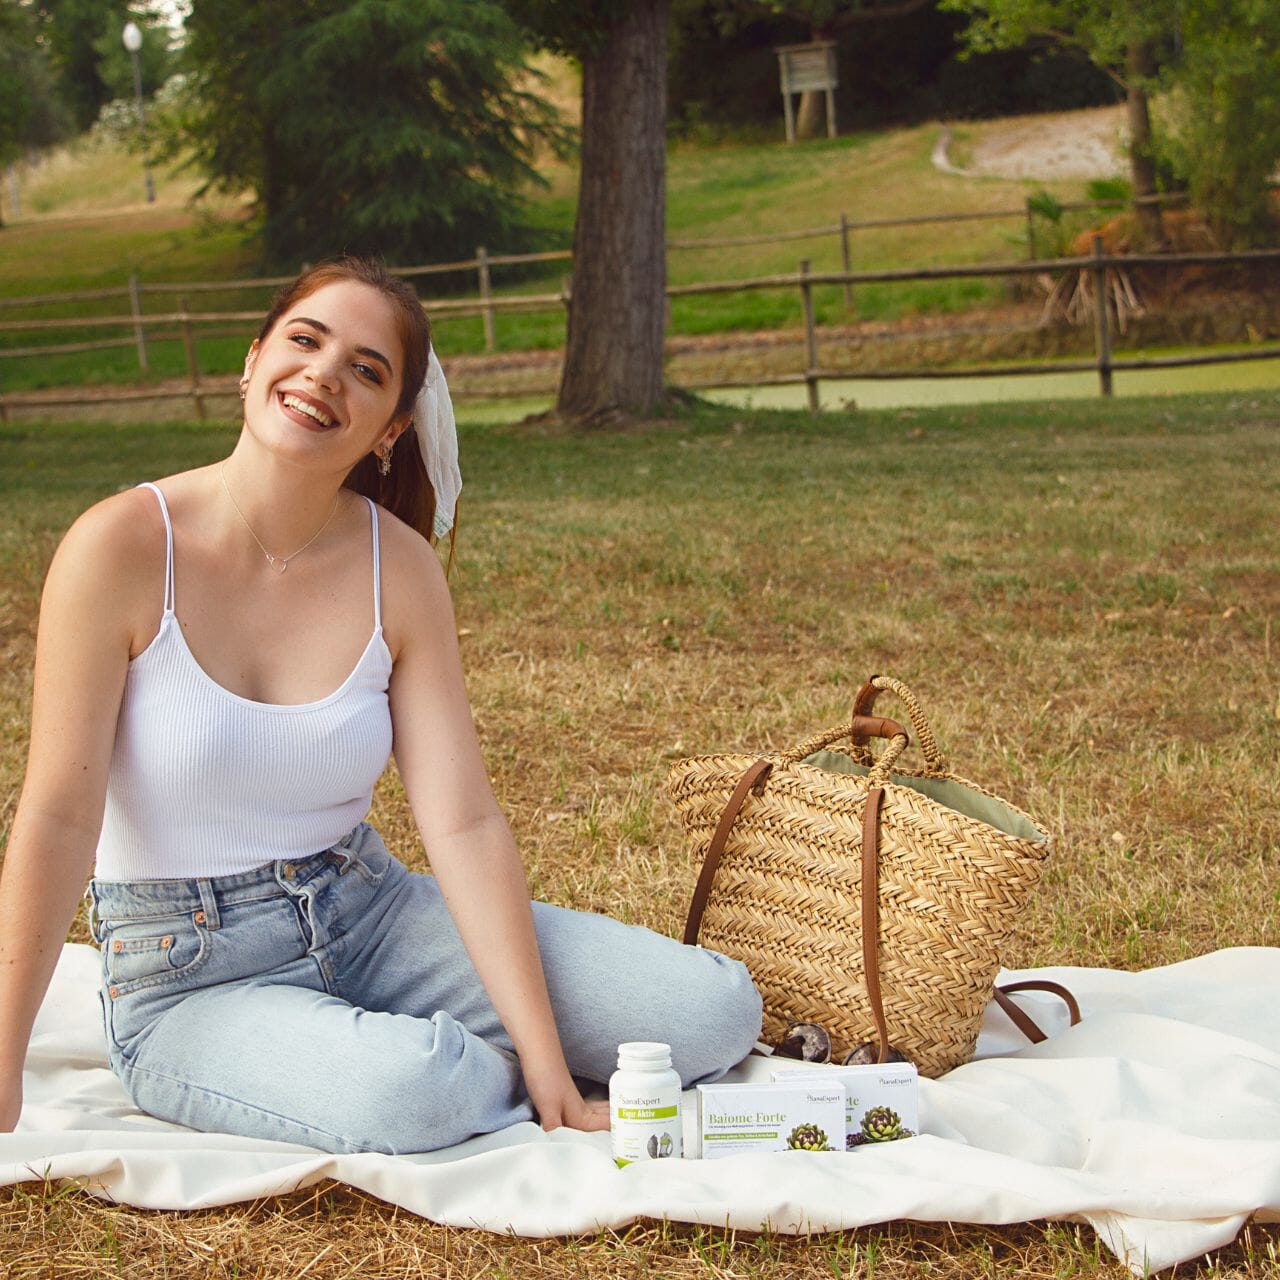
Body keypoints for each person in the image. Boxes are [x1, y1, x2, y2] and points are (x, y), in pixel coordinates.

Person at [0, 257, 762, 1154]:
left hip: (369, 912)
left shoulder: (396, 567)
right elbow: (56, 815)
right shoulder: (121, 545)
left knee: (708, 1013)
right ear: (252, 361)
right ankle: (390, 1061)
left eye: (366, 368)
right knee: (422, 1093)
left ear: (391, 427)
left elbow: (466, 822)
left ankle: (452, 1054)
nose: (325, 374)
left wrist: (550, 1062)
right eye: (305, 339)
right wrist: (5, 1059)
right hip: (187, 975)